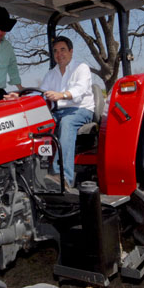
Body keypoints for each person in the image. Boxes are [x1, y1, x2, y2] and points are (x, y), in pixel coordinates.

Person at [39, 36, 95, 188]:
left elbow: (80, 89)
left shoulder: (81, 68)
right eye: (56, 51)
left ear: (71, 51)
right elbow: (41, 93)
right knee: (38, 125)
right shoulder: (51, 73)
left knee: (67, 123)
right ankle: (37, 172)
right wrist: (19, 96)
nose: (59, 54)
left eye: (63, 50)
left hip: (80, 110)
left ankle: (63, 177)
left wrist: (62, 95)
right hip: (58, 111)